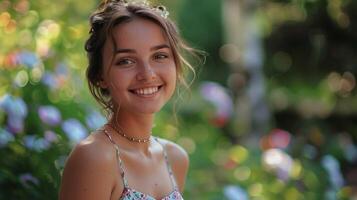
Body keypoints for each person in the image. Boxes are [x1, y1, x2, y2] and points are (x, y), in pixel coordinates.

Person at [59, 0, 199, 199]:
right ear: (100, 76)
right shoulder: (94, 158)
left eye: (159, 56)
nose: (147, 73)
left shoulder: (175, 158)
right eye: (126, 61)